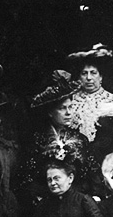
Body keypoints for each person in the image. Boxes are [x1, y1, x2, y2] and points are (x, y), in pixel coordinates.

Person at [21, 71, 90, 204]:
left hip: (75, 200)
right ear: (51, 112)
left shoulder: (80, 139)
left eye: (71, 107)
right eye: (62, 108)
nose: (69, 113)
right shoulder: (37, 140)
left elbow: (88, 175)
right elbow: (28, 178)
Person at [65, 44, 113, 142]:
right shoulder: (71, 100)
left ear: (101, 77)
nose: (88, 78)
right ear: (79, 77)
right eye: (84, 73)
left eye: (93, 73)